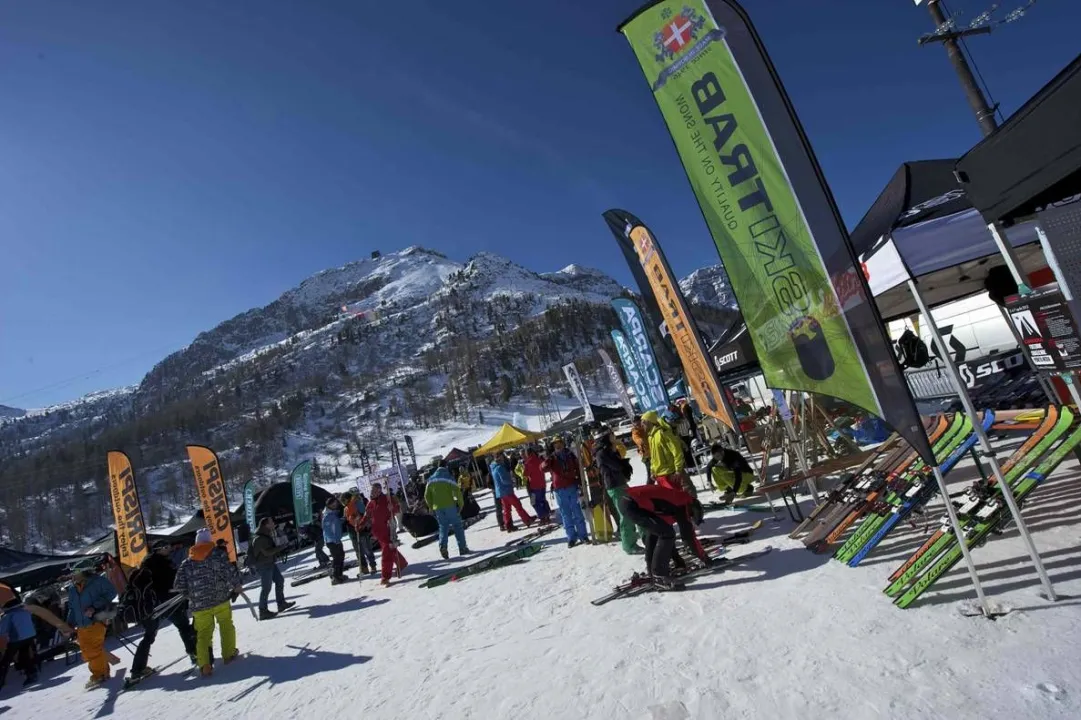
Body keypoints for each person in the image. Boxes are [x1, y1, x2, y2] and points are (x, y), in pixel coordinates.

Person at [122, 541, 199, 682]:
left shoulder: (146, 564)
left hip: (150, 607)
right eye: (167, 547)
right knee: (183, 627)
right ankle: (194, 653)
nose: (169, 549)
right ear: (159, 550)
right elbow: (170, 582)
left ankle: (137, 670)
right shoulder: (162, 563)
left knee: (148, 637)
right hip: (168, 602)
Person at [173, 528, 243, 677]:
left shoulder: (187, 562)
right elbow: (230, 572)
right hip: (220, 599)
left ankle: (205, 665)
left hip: (199, 605)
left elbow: (178, 585)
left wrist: (190, 594)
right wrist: (237, 585)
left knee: (203, 634)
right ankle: (229, 654)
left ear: (196, 542)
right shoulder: (218, 555)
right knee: (226, 625)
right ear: (210, 540)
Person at [619, 484, 709, 588]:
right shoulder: (682, 504)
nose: (689, 520)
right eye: (692, 518)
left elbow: (659, 536)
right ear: (692, 511)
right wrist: (705, 558)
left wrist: (677, 560)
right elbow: (688, 537)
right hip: (633, 504)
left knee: (659, 531)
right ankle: (659, 576)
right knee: (667, 534)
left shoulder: (675, 500)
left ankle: (653, 570)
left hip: (628, 501)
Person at [65, 564, 117, 689]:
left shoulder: (98, 581)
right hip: (81, 624)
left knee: (93, 648)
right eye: (72, 572)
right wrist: (69, 623)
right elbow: (72, 608)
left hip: (97, 620)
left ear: (84, 571)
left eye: (75, 572)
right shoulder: (72, 589)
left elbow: (112, 592)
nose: (73, 575)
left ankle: (100, 675)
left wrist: (94, 606)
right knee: (86, 652)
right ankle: (102, 672)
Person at [594, 430, 640, 555]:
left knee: (630, 511)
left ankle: (632, 541)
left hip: (620, 483)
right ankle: (629, 545)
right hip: (615, 486)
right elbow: (616, 466)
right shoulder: (602, 453)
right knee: (625, 515)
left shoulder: (609, 450)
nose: (614, 437)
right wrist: (623, 464)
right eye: (611, 436)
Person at [358, 483, 408, 587]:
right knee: (390, 549)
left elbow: (397, 509)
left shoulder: (387, 498)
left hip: (388, 530)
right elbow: (367, 515)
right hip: (378, 532)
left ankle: (385, 576)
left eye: (375, 490)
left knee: (386, 552)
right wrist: (360, 525)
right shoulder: (370, 503)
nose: (372, 492)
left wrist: (392, 508)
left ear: (380, 490)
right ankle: (402, 563)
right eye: (372, 490)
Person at [542, 439, 589, 547]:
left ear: (563, 444)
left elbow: (578, 469)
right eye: (555, 444)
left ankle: (583, 535)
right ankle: (571, 538)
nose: (558, 445)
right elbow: (543, 468)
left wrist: (581, 483)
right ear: (553, 446)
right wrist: (547, 459)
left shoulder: (570, 455)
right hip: (559, 490)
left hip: (572, 487)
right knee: (566, 515)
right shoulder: (552, 458)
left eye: (559, 443)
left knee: (577, 512)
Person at [248, 518, 296, 620]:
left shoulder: (265, 534)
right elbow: (267, 552)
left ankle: (281, 604)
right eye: (271, 522)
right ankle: (263, 611)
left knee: (279, 580)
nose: (274, 524)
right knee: (266, 588)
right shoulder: (260, 538)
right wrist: (282, 547)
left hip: (269, 563)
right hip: (264, 565)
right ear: (266, 525)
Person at [424, 463, 471, 559]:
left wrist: (431, 506)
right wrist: (461, 504)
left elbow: (426, 495)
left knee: (443, 527)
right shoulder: (448, 477)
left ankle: (443, 546)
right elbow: (457, 492)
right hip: (450, 505)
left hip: (438, 508)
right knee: (457, 526)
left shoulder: (431, 479)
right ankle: (462, 548)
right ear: (445, 467)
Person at [0, 588, 39, 690]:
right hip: (30, 636)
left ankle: (1, 679)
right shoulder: (25, 611)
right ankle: (32, 674)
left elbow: (2, 631)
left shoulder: (8, 615)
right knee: (24, 655)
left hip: (17, 639)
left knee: (6, 660)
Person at [491, 450, 534, 532]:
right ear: (499, 458)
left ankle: (508, 525)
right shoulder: (500, 468)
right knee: (517, 505)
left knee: (507, 509)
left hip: (501, 492)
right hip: (507, 491)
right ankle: (527, 520)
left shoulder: (494, 468)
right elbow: (504, 480)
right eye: (501, 456)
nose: (503, 458)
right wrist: (512, 481)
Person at [343, 491, 374, 576]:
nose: (343, 502)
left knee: (367, 549)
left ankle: (373, 565)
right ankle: (364, 568)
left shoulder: (357, 503)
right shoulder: (346, 508)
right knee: (358, 551)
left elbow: (365, 513)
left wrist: (359, 518)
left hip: (362, 529)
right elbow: (346, 519)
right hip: (352, 531)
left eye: (344, 500)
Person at [522, 446, 551, 524]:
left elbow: (524, 475)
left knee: (534, 502)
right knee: (542, 500)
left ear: (528, 454)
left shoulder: (528, 463)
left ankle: (542, 517)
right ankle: (547, 515)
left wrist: (523, 466)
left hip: (534, 487)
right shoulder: (539, 459)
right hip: (542, 484)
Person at [322, 497, 348, 584]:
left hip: (336, 539)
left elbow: (336, 523)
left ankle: (339, 575)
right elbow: (327, 530)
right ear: (329, 505)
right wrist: (335, 539)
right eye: (334, 503)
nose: (336, 504)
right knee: (337, 558)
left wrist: (343, 519)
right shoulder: (327, 516)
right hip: (332, 541)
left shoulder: (332, 514)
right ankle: (335, 577)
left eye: (336, 503)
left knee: (341, 556)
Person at [631, 416, 651, 480]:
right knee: (650, 473)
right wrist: (642, 440)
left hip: (652, 452)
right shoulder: (635, 432)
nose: (638, 424)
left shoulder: (645, 428)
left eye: (639, 422)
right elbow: (638, 440)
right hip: (646, 456)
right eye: (636, 423)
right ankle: (649, 487)